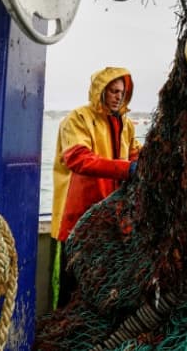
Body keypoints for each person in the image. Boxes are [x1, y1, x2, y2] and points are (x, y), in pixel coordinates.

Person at [50, 67, 142, 308]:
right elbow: (77, 159)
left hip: (111, 218)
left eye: (122, 92)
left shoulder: (126, 123)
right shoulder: (77, 119)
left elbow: (134, 154)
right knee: (69, 283)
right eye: (113, 91)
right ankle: (62, 324)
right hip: (75, 219)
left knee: (100, 282)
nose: (118, 97)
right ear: (100, 91)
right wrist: (127, 170)